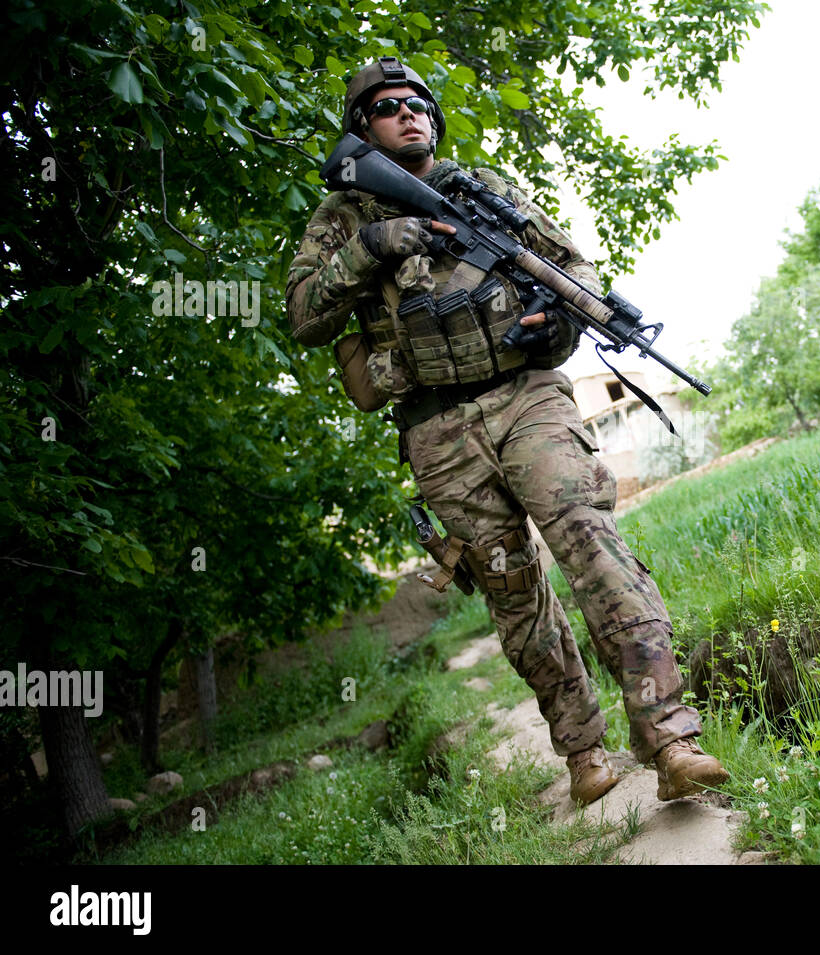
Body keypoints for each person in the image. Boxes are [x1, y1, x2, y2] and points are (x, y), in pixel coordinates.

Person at [284, 57, 729, 805]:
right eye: (389, 106)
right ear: (362, 129)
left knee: (590, 538)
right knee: (512, 590)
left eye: (419, 103)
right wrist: (373, 245)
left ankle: (670, 736)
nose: (409, 113)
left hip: (527, 396)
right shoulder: (344, 217)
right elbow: (302, 314)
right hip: (436, 428)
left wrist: (562, 316)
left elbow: (567, 264)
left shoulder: (482, 188)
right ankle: (583, 750)